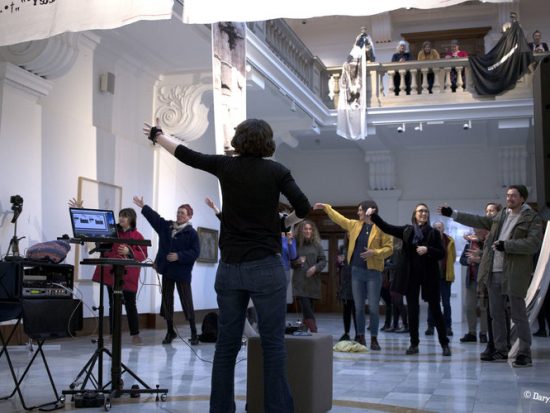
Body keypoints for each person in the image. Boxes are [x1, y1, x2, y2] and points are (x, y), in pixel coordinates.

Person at [144, 118, 310, 413]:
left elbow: (186, 155)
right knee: (273, 346)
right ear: (267, 141)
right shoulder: (277, 171)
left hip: (230, 267)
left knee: (226, 347)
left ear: (238, 140)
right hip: (265, 267)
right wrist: (281, 223)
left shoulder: (225, 166)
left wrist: (159, 135)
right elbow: (304, 206)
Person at [438, 185, 543, 367]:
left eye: (513, 196)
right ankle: (501, 350)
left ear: (522, 198)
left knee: (518, 314)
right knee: (496, 313)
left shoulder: (531, 218)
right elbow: (478, 219)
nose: (509, 198)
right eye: (508, 195)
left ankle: (524, 353)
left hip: (514, 272)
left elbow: (533, 244)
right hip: (493, 270)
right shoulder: (501, 215)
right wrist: (452, 214)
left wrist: (507, 245)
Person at [366, 204, 451, 356]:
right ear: (415, 214)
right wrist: (374, 216)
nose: (423, 213)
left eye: (425, 211)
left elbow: (441, 254)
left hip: (429, 276)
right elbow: (387, 228)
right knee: (413, 311)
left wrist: (428, 250)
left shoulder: (434, 233)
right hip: (411, 277)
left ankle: (444, 344)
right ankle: (414, 344)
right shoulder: (407, 230)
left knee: (436, 309)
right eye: (420, 211)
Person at [313, 201, 393, 350]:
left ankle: (374, 339)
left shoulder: (381, 228)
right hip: (356, 271)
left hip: (373, 272)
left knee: (374, 308)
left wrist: (374, 252)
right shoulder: (355, 225)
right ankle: (361, 336)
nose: (358, 213)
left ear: (370, 211)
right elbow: (339, 219)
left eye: (360, 210)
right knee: (359, 307)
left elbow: (389, 249)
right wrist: (327, 208)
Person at [69, 199, 148, 346]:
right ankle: (113, 333)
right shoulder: (112, 231)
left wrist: (129, 251)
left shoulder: (138, 236)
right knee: (113, 304)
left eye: (124, 216)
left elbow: (143, 255)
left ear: (131, 219)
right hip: (111, 272)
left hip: (128, 275)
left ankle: (135, 334)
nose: (121, 218)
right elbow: (93, 228)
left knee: (131, 304)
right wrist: (81, 210)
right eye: (120, 216)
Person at [133, 197, 201, 346]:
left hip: (182, 272)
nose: (179, 215)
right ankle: (170, 331)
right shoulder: (167, 227)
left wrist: (179, 256)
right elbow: (155, 219)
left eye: (182, 213)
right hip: (168, 271)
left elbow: (195, 252)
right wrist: (144, 207)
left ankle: (194, 332)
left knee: (186, 301)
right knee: (167, 302)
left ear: (189, 216)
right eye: (178, 212)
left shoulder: (192, 234)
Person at [291, 220, 326, 333]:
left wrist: (315, 268)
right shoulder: (295, 244)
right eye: (305, 229)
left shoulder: (317, 245)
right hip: (300, 281)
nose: (308, 231)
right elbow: (290, 262)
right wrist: (297, 262)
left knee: (309, 309)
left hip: (313, 281)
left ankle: (305, 331)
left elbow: (323, 260)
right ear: (301, 230)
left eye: (310, 229)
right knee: (306, 307)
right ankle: (314, 331)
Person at [426, 221, 456, 337]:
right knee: (432, 303)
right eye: (436, 228)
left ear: (443, 228)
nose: (438, 229)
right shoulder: (429, 240)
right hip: (431, 277)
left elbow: (452, 258)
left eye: (440, 227)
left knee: (446, 303)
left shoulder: (449, 241)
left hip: (445, 277)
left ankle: (448, 327)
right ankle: (430, 327)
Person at [459, 227, 489, 343]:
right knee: (469, 307)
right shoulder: (469, 243)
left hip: (483, 281)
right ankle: (472, 333)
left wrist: (478, 260)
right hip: (471, 281)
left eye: (478, 229)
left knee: (483, 308)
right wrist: (469, 261)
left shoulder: (487, 243)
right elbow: (462, 260)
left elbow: (491, 259)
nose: (476, 231)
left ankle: (483, 333)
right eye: (475, 229)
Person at [336, 240, 357, 341]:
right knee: (346, 309)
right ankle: (346, 333)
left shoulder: (359, 245)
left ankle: (359, 334)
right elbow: (338, 264)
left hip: (357, 280)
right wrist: (339, 262)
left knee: (357, 310)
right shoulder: (342, 247)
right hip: (345, 282)